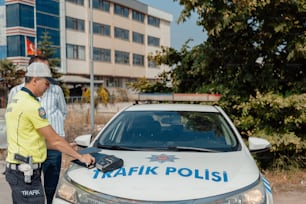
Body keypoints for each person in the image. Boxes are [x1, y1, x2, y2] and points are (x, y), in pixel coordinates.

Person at [5, 62, 95, 204]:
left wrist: (68, 147)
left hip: (18, 170)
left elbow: (33, 139)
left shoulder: (17, 99)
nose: (48, 87)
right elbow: (55, 140)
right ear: (35, 80)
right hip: (25, 172)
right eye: (46, 83)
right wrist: (81, 157)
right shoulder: (31, 105)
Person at [8, 56, 68, 204]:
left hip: (52, 146)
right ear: (33, 75)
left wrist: (58, 141)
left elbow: (63, 112)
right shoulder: (17, 93)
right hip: (28, 152)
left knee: (49, 188)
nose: (47, 82)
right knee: (31, 190)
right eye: (43, 73)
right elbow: (13, 121)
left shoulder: (55, 90)